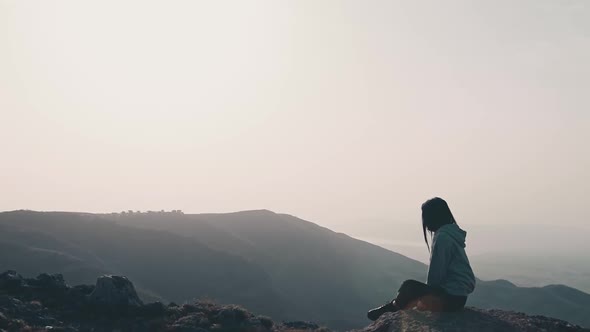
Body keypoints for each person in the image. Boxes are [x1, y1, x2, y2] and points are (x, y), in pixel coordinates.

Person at [367, 197, 476, 321]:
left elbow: (436, 276)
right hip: (459, 297)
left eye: (427, 217)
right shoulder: (451, 233)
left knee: (409, 286)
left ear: (434, 217)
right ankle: (392, 307)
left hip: (450, 298)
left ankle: (391, 309)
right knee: (412, 289)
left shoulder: (443, 238)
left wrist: (425, 296)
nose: (426, 222)